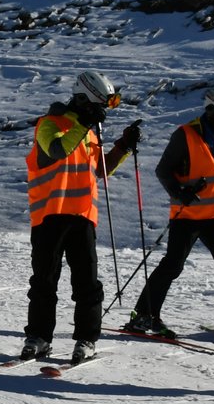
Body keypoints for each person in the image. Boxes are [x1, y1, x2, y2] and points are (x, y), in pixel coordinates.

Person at [125, 84, 214, 341]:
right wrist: (180, 193)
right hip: (188, 215)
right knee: (172, 266)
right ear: (212, 110)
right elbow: (163, 171)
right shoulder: (185, 135)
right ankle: (143, 315)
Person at [18, 70, 135, 362]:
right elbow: (56, 150)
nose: (100, 112)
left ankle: (86, 339)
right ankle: (39, 337)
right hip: (49, 215)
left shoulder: (89, 132)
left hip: (82, 215)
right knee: (44, 281)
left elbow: (100, 171)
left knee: (86, 283)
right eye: (97, 106)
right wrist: (83, 125)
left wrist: (123, 147)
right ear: (83, 99)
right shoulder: (49, 124)